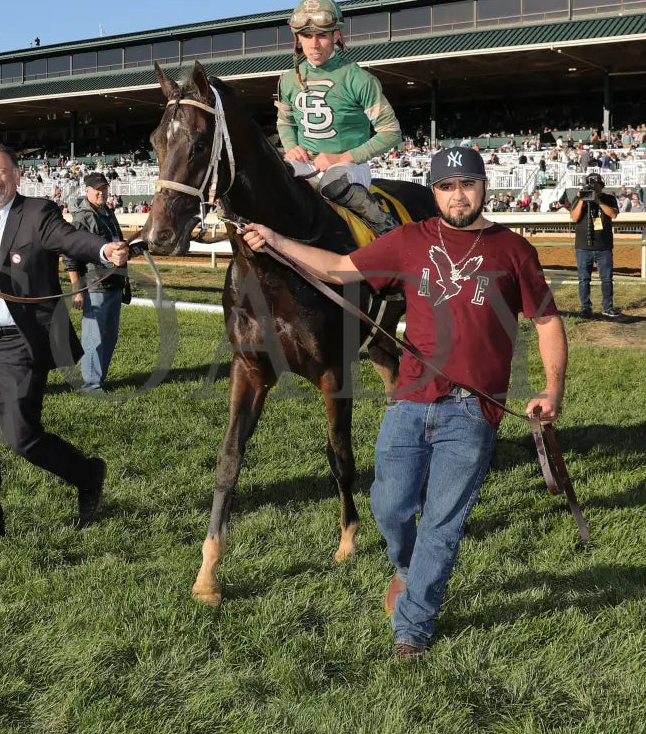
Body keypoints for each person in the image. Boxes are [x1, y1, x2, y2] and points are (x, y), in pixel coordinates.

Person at [239, 147, 566, 660]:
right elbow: (341, 267)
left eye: (467, 183)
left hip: (473, 411)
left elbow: (547, 321)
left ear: (484, 185)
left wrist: (552, 389)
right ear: (433, 193)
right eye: (446, 186)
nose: (458, 194)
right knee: (388, 507)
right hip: (410, 401)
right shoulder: (411, 240)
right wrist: (277, 240)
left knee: (442, 523)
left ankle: (412, 628)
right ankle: (411, 572)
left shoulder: (513, 250)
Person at [0, 144, 129, 547]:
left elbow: (70, 239)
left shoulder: (37, 213)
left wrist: (102, 249)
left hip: (19, 346)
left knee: (23, 438)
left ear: (17, 175)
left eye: (1, 172)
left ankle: (86, 474)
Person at [276, 0, 403, 235]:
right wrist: (292, 146)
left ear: (336, 35)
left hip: (349, 166)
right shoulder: (288, 79)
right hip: (306, 163)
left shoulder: (359, 79)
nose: (314, 45)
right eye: (306, 36)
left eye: (322, 35)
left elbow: (391, 132)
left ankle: (389, 233)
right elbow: (285, 121)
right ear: (297, 38)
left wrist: (340, 158)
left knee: (332, 184)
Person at [63, 172, 128, 393]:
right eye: (96, 189)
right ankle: (91, 384)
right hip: (95, 285)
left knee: (110, 335)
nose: (101, 192)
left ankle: (99, 379)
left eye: (104, 188)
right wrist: (77, 289)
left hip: (115, 283)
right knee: (94, 337)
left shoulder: (108, 213)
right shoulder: (82, 218)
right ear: (87, 191)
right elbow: (71, 255)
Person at [570, 171, 620, 318]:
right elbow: (574, 217)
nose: (594, 188)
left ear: (601, 186)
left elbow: (613, 214)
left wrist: (598, 201)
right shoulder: (578, 199)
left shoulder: (609, 198)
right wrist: (581, 200)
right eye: (591, 185)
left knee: (606, 279)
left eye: (596, 185)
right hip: (583, 247)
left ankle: (607, 307)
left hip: (604, 246)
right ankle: (586, 308)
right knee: (584, 279)